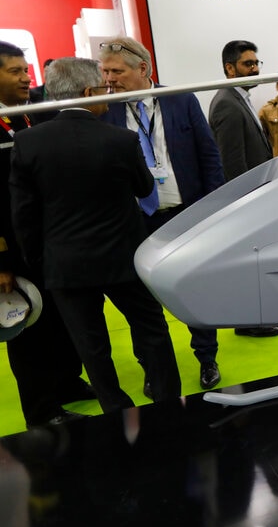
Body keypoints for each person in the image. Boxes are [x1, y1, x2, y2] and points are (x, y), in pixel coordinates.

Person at [9, 57, 181, 412]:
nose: (109, 93)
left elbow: (23, 214)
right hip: (125, 258)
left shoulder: (28, 142)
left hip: (65, 265)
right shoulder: (121, 139)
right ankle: (167, 406)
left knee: (91, 346)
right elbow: (144, 187)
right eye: (104, 87)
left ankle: (115, 410)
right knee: (152, 331)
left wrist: (41, 261)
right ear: (89, 92)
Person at [99, 36, 226, 391]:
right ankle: (153, 367)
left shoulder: (180, 99)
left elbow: (209, 155)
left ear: (142, 68)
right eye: (105, 71)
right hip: (135, 220)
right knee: (141, 301)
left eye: (117, 71)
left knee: (192, 288)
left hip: (185, 214)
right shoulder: (106, 109)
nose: (109, 79)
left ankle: (207, 357)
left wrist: (214, 208)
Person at [0, 42, 93, 425]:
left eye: (26, 70)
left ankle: (67, 383)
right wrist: (2, 263)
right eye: (16, 71)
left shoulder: (28, 117)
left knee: (59, 318)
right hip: (13, 248)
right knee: (29, 330)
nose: (27, 78)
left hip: (48, 241)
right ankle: (41, 412)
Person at [210, 40, 278, 339]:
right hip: (245, 199)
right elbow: (232, 162)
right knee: (246, 261)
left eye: (256, 63)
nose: (254, 69)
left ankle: (256, 316)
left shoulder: (238, 98)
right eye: (247, 64)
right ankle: (248, 320)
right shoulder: (227, 103)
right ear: (230, 68)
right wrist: (246, 204)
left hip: (255, 195)